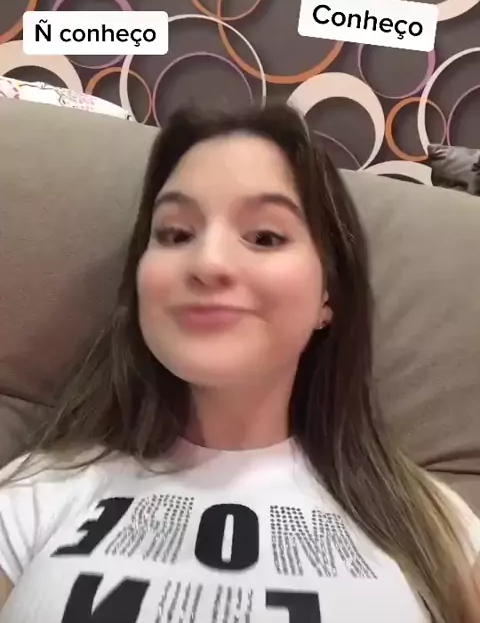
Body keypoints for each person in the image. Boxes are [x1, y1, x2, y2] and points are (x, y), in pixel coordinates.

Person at [0, 103, 478, 623]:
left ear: (328, 295)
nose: (208, 263)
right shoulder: (36, 492)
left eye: (265, 237)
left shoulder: (432, 524)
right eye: (176, 234)